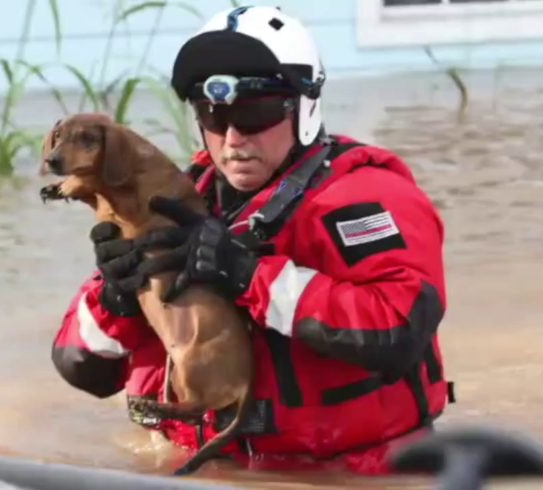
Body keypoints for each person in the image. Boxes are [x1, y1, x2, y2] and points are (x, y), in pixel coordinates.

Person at [50, 5, 453, 475]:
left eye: (255, 113)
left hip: (340, 473)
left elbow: (399, 329)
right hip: (194, 466)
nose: (234, 137)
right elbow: (81, 368)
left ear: (303, 106)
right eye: (214, 115)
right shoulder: (173, 200)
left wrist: (245, 275)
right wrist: (116, 300)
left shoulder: (366, 198)